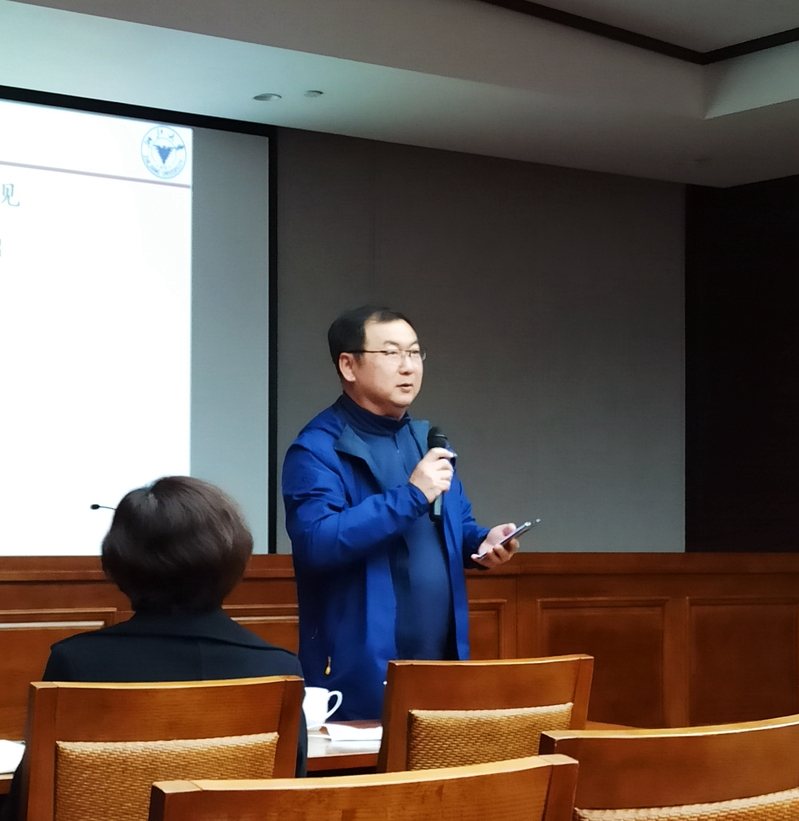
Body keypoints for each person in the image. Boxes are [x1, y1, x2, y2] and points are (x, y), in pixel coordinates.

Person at [2, 476, 306, 821]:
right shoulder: (279, 668)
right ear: (236, 557)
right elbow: (289, 797)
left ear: (118, 561)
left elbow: (30, 804)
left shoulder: (77, 664)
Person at [282, 305, 520, 720]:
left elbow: (452, 523)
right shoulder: (317, 449)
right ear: (348, 365)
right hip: (357, 669)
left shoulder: (426, 441)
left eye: (414, 352)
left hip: (440, 662)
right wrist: (410, 495)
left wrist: (481, 542)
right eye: (391, 353)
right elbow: (317, 542)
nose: (408, 366)